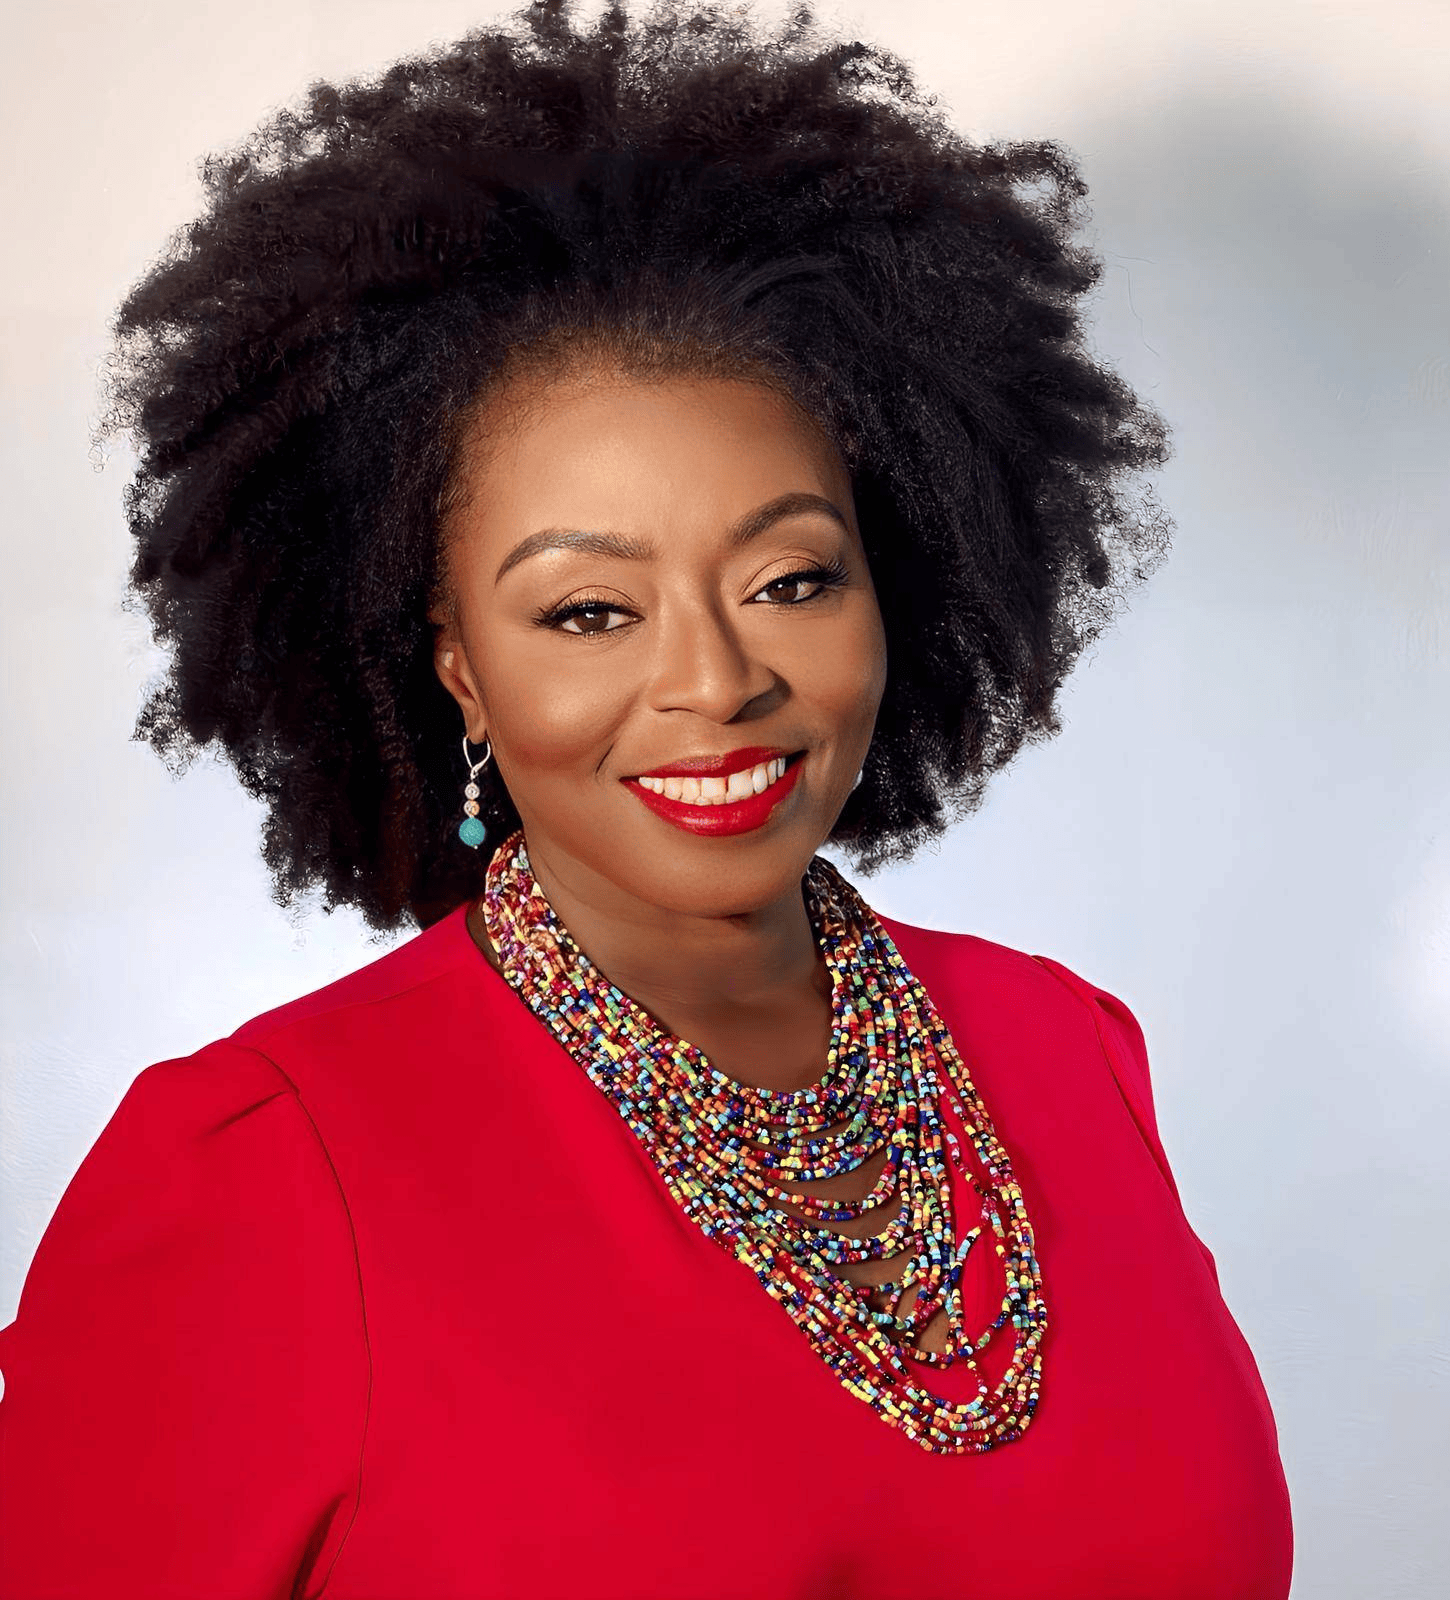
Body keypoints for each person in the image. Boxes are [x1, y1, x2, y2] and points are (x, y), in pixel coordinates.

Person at [0, 2, 1292, 1596]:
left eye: (789, 578)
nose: (714, 680)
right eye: (588, 611)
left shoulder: (1067, 1054)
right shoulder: (261, 1175)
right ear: (455, 665)